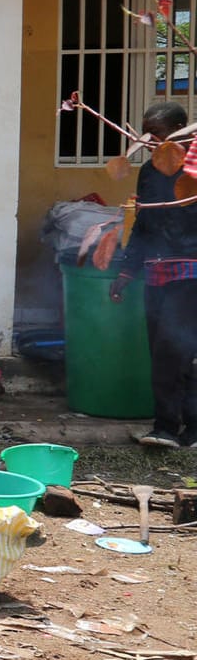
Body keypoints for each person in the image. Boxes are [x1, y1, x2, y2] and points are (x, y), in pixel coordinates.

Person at [111, 101, 197, 449]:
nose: (149, 139)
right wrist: (126, 272)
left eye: (156, 132)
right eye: (145, 132)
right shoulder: (149, 171)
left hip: (190, 272)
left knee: (174, 350)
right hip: (156, 272)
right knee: (169, 352)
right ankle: (181, 428)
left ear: (180, 130)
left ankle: (168, 428)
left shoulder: (194, 168)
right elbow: (143, 223)